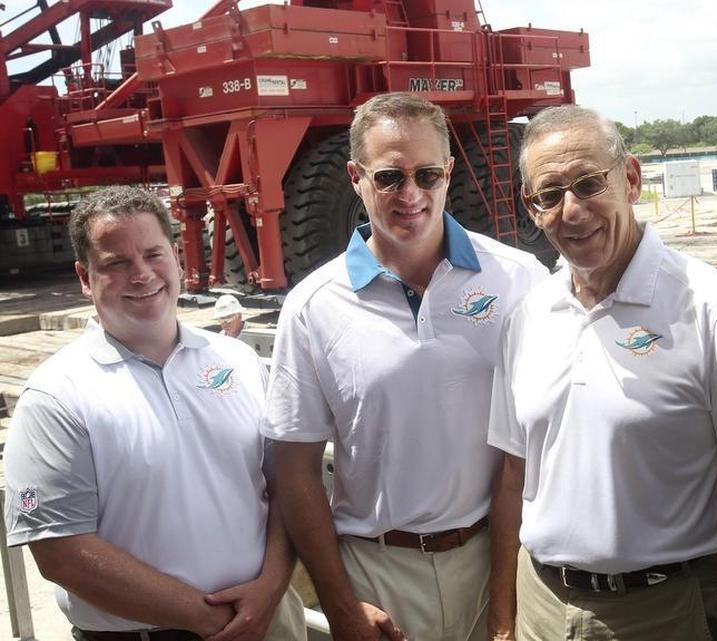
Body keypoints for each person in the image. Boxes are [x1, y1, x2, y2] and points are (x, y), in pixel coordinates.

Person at [262, 93, 549, 641]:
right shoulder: (313, 306)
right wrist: (340, 603)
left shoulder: (519, 280)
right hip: (378, 570)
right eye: (390, 176)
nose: (411, 194)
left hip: (500, 554)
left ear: (449, 172)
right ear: (356, 177)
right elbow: (295, 470)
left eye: (428, 175)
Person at [487, 104, 717, 641]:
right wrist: (504, 620)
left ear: (631, 178)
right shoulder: (526, 316)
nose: (571, 211)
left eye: (588, 183)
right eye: (549, 195)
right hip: (542, 605)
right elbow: (512, 475)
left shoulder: (714, 307)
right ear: (531, 206)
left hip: (665, 608)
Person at [3, 186, 304, 641]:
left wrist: (271, 588)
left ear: (178, 256)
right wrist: (209, 619)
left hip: (268, 619)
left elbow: (284, 487)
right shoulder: (57, 396)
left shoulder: (237, 362)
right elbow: (61, 551)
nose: (141, 275)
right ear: (85, 277)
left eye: (152, 254)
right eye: (116, 263)